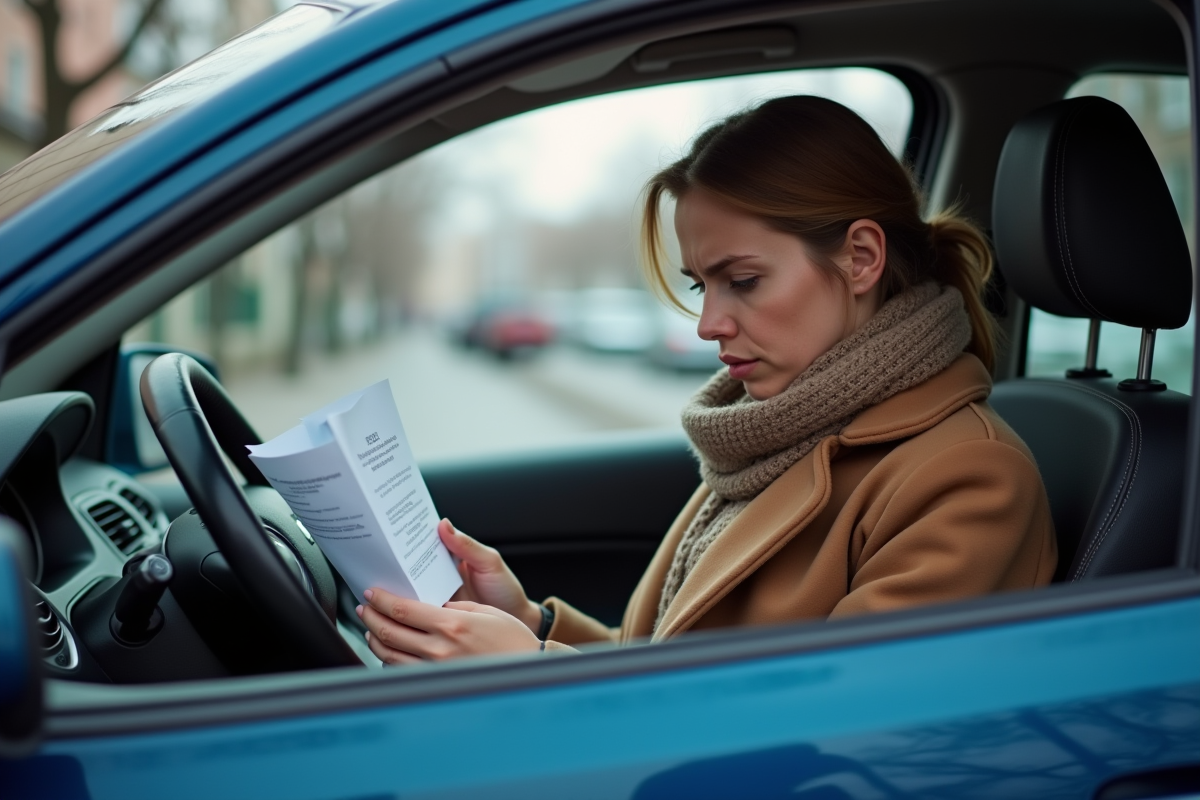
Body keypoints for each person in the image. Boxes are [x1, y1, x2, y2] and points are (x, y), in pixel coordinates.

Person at [355, 95, 1058, 664]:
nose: (708, 324)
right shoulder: (775, 432)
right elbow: (668, 665)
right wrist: (532, 624)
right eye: (701, 286)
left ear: (862, 258)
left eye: (743, 281)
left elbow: (832, 736)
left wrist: (532, 675)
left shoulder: (968, 476)